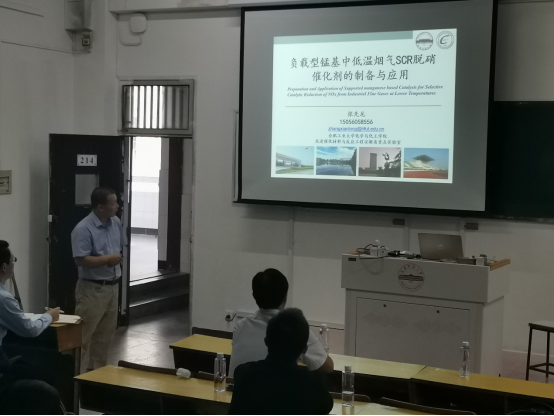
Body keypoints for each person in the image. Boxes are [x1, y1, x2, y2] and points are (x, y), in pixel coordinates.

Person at [229, 269, 333, 378]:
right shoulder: (293, 327)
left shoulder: (240, 326)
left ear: (254, 296)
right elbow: (328, 367)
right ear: (285, 297)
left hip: (237, 388)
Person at [229, 308, 334, 415]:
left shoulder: (243, 375)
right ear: (305, 349)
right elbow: (326, 406)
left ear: (266, 341)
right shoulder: (314, 386)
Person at [0, 240, 62, 415]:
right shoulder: (3, 298)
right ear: (4, 267)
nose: (14, 264)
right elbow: (29, 329)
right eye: (13, 260)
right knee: (47, 376)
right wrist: (49, 316)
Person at [71, 187, 125, 372]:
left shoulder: (116, 222)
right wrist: (107, 259)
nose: (117, 206)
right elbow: (80, 260)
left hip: (112, 287)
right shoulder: (83, 229)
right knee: (83, 336)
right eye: (113, 203)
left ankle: (96, 375)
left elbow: (119, 247)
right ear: (100, 207)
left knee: (105, 336)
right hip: (92, 289)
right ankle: (75, 377)